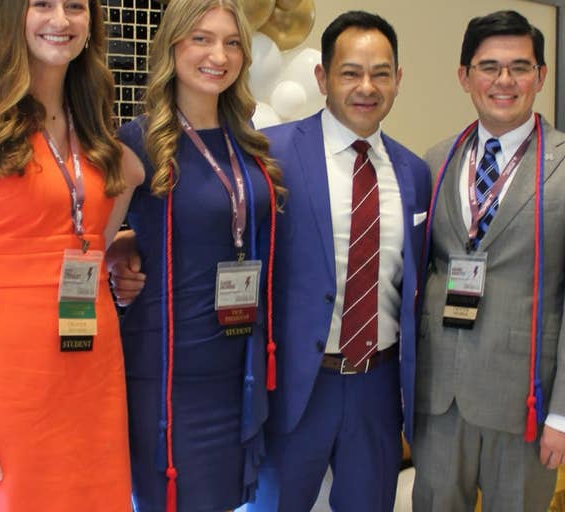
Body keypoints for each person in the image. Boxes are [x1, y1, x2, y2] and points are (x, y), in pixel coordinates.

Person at [0, 0, 142, 510]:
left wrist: (117, 247)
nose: (61, 20)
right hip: (6, 373)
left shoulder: (92, 120)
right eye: (43, 4)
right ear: (15, 16)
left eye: (76, 7)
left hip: (92, 363)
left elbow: (97, 221)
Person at [413, 10, 565, 511]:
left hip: (525, 398)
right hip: (439, 397)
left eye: (520, 67)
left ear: (541, 76)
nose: (504, 81)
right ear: (465, 77)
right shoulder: (434, 162)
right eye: (489, 67)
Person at [249, 11, 430, 512]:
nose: (366, 87)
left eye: (381, 73)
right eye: (350, 72)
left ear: (398, 80)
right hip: (295, 387)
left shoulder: (414, 172)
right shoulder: (273, 155)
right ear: (322, 77)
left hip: (378, 385)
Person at [111, 0, 285, 510]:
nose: (219, 55)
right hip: (169, 375)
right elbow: (88, 244)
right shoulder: (138, 141)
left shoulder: (250, 141)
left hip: (239, 367)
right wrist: (121, 251)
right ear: (173, 46)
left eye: (233, 42)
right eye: (202, 39)